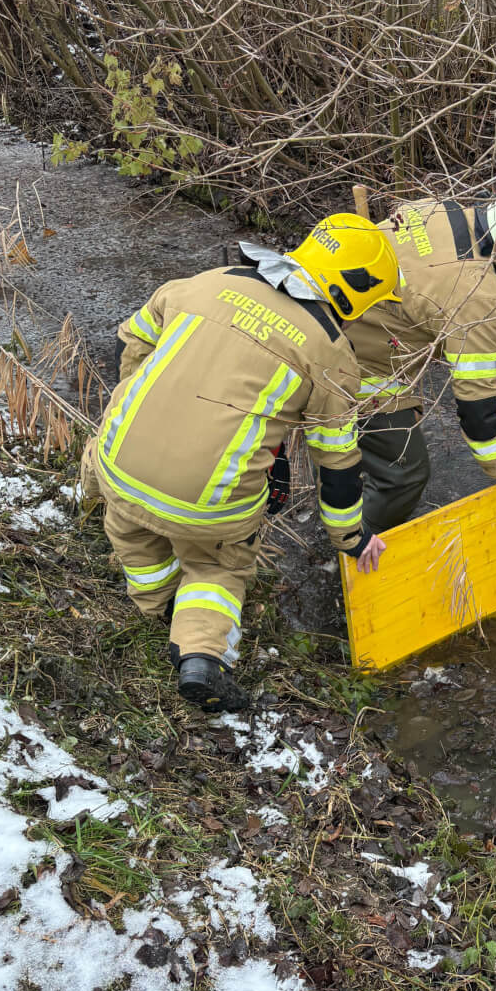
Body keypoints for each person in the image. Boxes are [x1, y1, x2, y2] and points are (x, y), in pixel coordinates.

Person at [82, 214, 399, 712]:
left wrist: (138, 409)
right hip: (208, 505)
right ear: (354, 293)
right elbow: (337, 461)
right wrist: (351, 539)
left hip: (117, 466)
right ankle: (201, 654)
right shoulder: (330, 352)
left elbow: (132, 342)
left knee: (134, 536)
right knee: (218, 566)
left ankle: (155, 609)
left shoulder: (206, 282)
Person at [344, 181, 496, 531]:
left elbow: (409, 305)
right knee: (404, 475)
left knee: (363, 451)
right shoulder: (477, 296)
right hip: (351, 363)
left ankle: (344, 491)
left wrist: (409, 397)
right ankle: (355, 546)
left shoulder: (438, 208)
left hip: (347, 325)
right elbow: (476, 403)